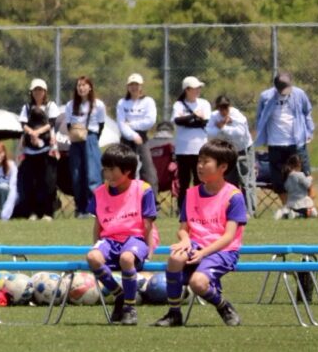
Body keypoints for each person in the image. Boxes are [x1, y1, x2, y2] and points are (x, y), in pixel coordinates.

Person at [153, 138, 245, 327]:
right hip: (195, 245)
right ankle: (174, 313)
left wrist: (203, 253)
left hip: (223, 250)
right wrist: (185, 240)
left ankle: (223, 306)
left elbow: (229, 237)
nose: (200, 166)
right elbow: (183, 229)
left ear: (223, 167)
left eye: (206, 162)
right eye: (199, 161)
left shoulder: (233, 196)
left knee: (198, 283)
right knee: (175, 258)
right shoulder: (191, 193)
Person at [85, 144, 159, 326]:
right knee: (92, 257)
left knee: (127, 258)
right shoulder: (99, 193)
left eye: (112, 170)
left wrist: (148, 252)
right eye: (105, 169)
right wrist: (97, 246)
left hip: (135, 239)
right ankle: (119, 294)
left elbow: (148, 224)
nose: (107, 174)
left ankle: (129, 307)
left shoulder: (143, 189)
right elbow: (98, 224)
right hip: (109, 240)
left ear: (127, 171)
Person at [254, 72, 314, 198]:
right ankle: (287, 206)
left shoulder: (299, 94)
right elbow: (260, 117)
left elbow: (307, 112)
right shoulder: (266, 97)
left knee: (305, 173)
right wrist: (262, 136)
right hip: (275, 143)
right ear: (276, 87)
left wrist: (309, 131)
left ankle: (308, 204)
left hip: (296, 142)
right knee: (278, 180)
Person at [18, 79, 61, 220]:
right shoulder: (26, 107)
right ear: (31, 92)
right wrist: (31, 133)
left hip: (47, 150)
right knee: (31, 183)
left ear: (45, 92)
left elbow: (52, 123)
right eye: (35, 90)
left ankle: (48, 212)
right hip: (30, 151)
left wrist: (38, 132)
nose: (38, 93)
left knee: (48, 182)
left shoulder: (50, 106)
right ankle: (33, 212)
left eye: (40, 90)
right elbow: (23, 123)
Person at [64, 76, 106, 217]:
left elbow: (101, 124)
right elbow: (69, 124)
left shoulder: (98, 105)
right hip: (76, 140)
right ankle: (80, 208)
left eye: (84, 85)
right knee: (77, 174)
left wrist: (91, 137)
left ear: (90, 87)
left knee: (92, 174)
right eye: (79, 85)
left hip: (91, 138)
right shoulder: (70, 105)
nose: (81, 88)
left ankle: (93, 207)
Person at [171, 76, 211, 211]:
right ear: (187, 90)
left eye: (199, 88)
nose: (198, 90)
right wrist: (194, 116)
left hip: (200, 148)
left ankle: (200, 207)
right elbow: (177, 121)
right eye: (195, 88)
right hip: (183, 150)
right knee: (184, 182)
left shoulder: (204, 103)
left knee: (200, 180)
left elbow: (205, 122)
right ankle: (182, 209)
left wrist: (188, 121)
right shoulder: (178, 105)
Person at [116, 73, 158, 194]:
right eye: (131, 85)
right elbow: (121, 124)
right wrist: (133, 135)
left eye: (137, 84)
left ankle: (151, 198)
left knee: (148, 170)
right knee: (125, 169)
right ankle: (124, 196)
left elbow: (150, 121)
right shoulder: (122, 103)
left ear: (141, 86)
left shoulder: (148, 101)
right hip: (126, 138)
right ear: (128, 87)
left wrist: (131, 125)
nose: (134, 87)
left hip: (142, 137)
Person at [206, 95, 253, 190]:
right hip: (227, 152)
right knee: (229, 181)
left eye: (225, 107)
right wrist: (222, 127)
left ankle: (248, 200)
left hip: (243, 150)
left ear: (229, 106)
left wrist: (223, 127)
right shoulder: (214, 116)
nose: (223, 110)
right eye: (221, 108)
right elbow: (209, 134)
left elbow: (239, 133)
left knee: (246, 182)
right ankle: (233, 200)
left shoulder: (237, 115)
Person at [275, 154, 317, 220]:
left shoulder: (287, 176)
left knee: (302, 212)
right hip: (302, 202)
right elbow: (308, 184)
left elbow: (286, 188)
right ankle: (297, 214)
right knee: (313, 213)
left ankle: (287, 214)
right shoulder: (300, 175)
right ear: (299, 164)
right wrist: (310, 178)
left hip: (291, 202)